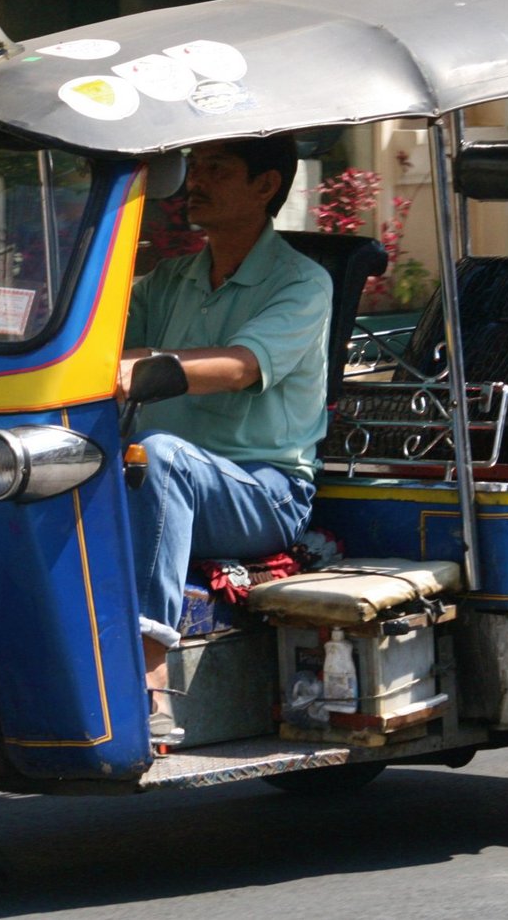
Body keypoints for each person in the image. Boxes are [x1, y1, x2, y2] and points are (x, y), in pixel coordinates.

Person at [119, 135, 332, 746]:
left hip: (264, 491)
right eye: (195, 167)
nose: (197, 181)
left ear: (266, 187)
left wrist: (142, 366)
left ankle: (152, 675)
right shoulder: (170, 279)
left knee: (159, 457)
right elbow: (103, 345)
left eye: (218, 169)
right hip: (162, 477)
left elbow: (241, 366)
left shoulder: (302, 282)